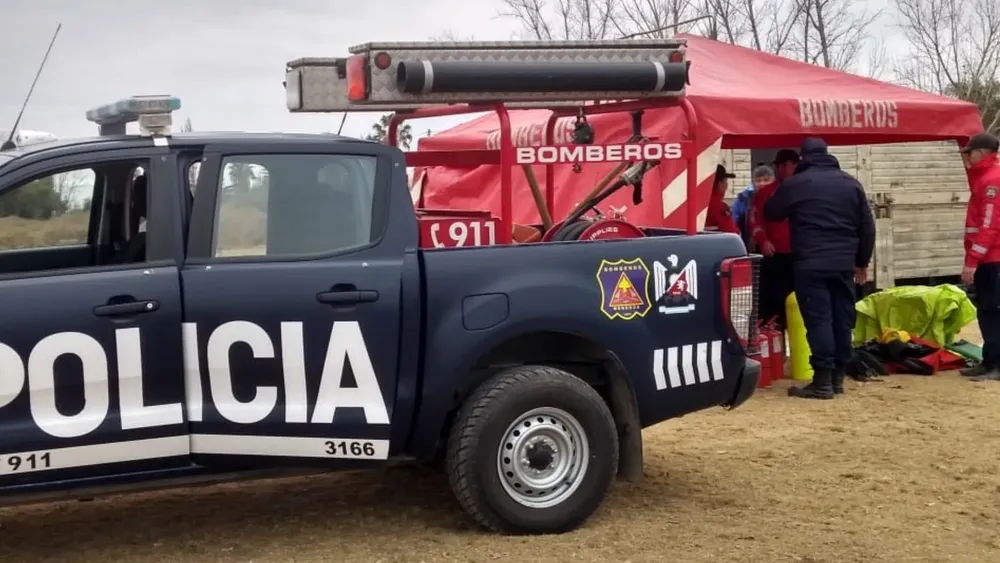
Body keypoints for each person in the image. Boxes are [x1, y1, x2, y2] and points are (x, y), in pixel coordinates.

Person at [764, 137, 876, 399]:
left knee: (819, 320)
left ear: (803, 158)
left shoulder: (798, 183)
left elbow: (772, 211)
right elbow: (867, 226)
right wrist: (862, 262)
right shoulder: (851, 183)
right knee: (841, 319)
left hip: (810, 263)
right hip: (844, 264)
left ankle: (823, 382)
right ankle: (837, 379)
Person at [956, 133, 1000, 381]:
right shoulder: (984, 178)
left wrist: (972, 261)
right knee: (986, 311)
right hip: (988, 259)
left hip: (992, 260)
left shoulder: (993, 180)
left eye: (970, 153)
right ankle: (990, 360)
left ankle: (997, 364)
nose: (967, 158)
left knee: (993, 311)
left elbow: (990, 226)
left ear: (982, 152)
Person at [751, 151, 798, 329]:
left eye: (788, 165)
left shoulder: (805, 188)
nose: (784, 170)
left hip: (800, 254)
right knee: (773, 300)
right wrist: (763, 240)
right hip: (775, 255)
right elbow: (755, 220)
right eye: (780, 166)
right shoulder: (766, 193)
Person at [705, 164, 740, 234]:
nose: (726, 186)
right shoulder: (719, 207)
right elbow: (732, 232)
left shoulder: (699, 203)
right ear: (719, 183)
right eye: (725, 182)